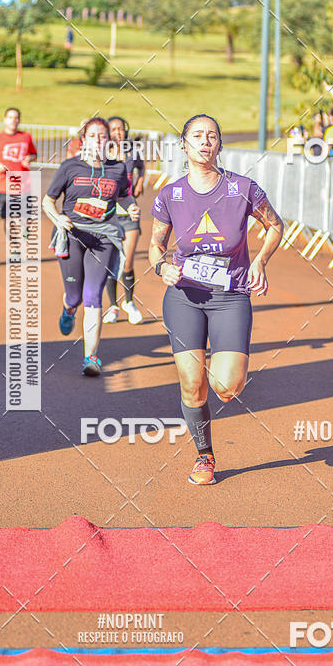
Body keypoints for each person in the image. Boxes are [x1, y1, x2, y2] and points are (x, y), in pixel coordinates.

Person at [149, 113, 284, 486]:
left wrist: (259, 260)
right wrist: (162, 268)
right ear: (183, 144)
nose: (204, 141)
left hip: (230, 296)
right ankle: (204, 455)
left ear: (220, 146)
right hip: (184, 297)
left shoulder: (243, 189)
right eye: (196, 135)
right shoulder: (170, 194)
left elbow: (275, 225)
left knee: (226, 387)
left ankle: (218, 365)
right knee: (192, 385)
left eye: (212, 136)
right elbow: (155, 245)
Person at [42, 117, 139, 376]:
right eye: (93, 135)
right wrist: (57, 217)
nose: (98, 139)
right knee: (75, 296)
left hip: (103, 237)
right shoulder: (69, 167)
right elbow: (48, 201)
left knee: (92, 296)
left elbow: (123, 193)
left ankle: (91, 357)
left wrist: (131, 206)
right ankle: (68, 307)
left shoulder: (117, 168)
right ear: (83, 140)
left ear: (109, 140)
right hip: (73, 234)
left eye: (103, 135)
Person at [102, 116, 144, 325]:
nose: (118, 132)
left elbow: (141, 167)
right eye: (113, 129)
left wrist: (140, 182)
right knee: (111, 262)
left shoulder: (132, 152)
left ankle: (129, 302)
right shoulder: (103, 156)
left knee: (127, 262)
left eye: (120, 129)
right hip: (109, 213)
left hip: (130, 212)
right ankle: (112, 306)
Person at [0, 108, 37, 231]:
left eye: (16, 117)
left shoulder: (26, 137)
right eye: (10, 117)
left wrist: (29, 158)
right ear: (5, 119)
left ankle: (22, 239)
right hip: (5, 185)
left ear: (19, 120)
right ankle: (14, 248)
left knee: (24, 219)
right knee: (9, 219)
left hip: (23, 184)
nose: (13, 120)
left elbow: (34, 154)